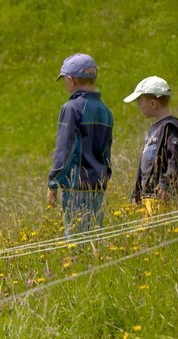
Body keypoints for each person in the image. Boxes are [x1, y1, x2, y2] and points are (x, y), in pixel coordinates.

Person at [47, 53, 114, 237]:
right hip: (98, 187)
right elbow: (107, 151)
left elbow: (65, 150)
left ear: (71, 80)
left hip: (76, 188)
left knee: (77, 242)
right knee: (94, 239)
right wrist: (104, 177)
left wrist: (53, 182)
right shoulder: (106, 111)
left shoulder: (71, 108)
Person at [123, 76, 178, 215]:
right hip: (148, 196)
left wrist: (166, 183)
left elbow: (177, 157)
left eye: (139, 103)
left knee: (164, 227)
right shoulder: (153, 129)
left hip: (163, 196)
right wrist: (137, 191)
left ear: (153, 103)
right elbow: (142, 166)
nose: (138, 106)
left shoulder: (170, 127)